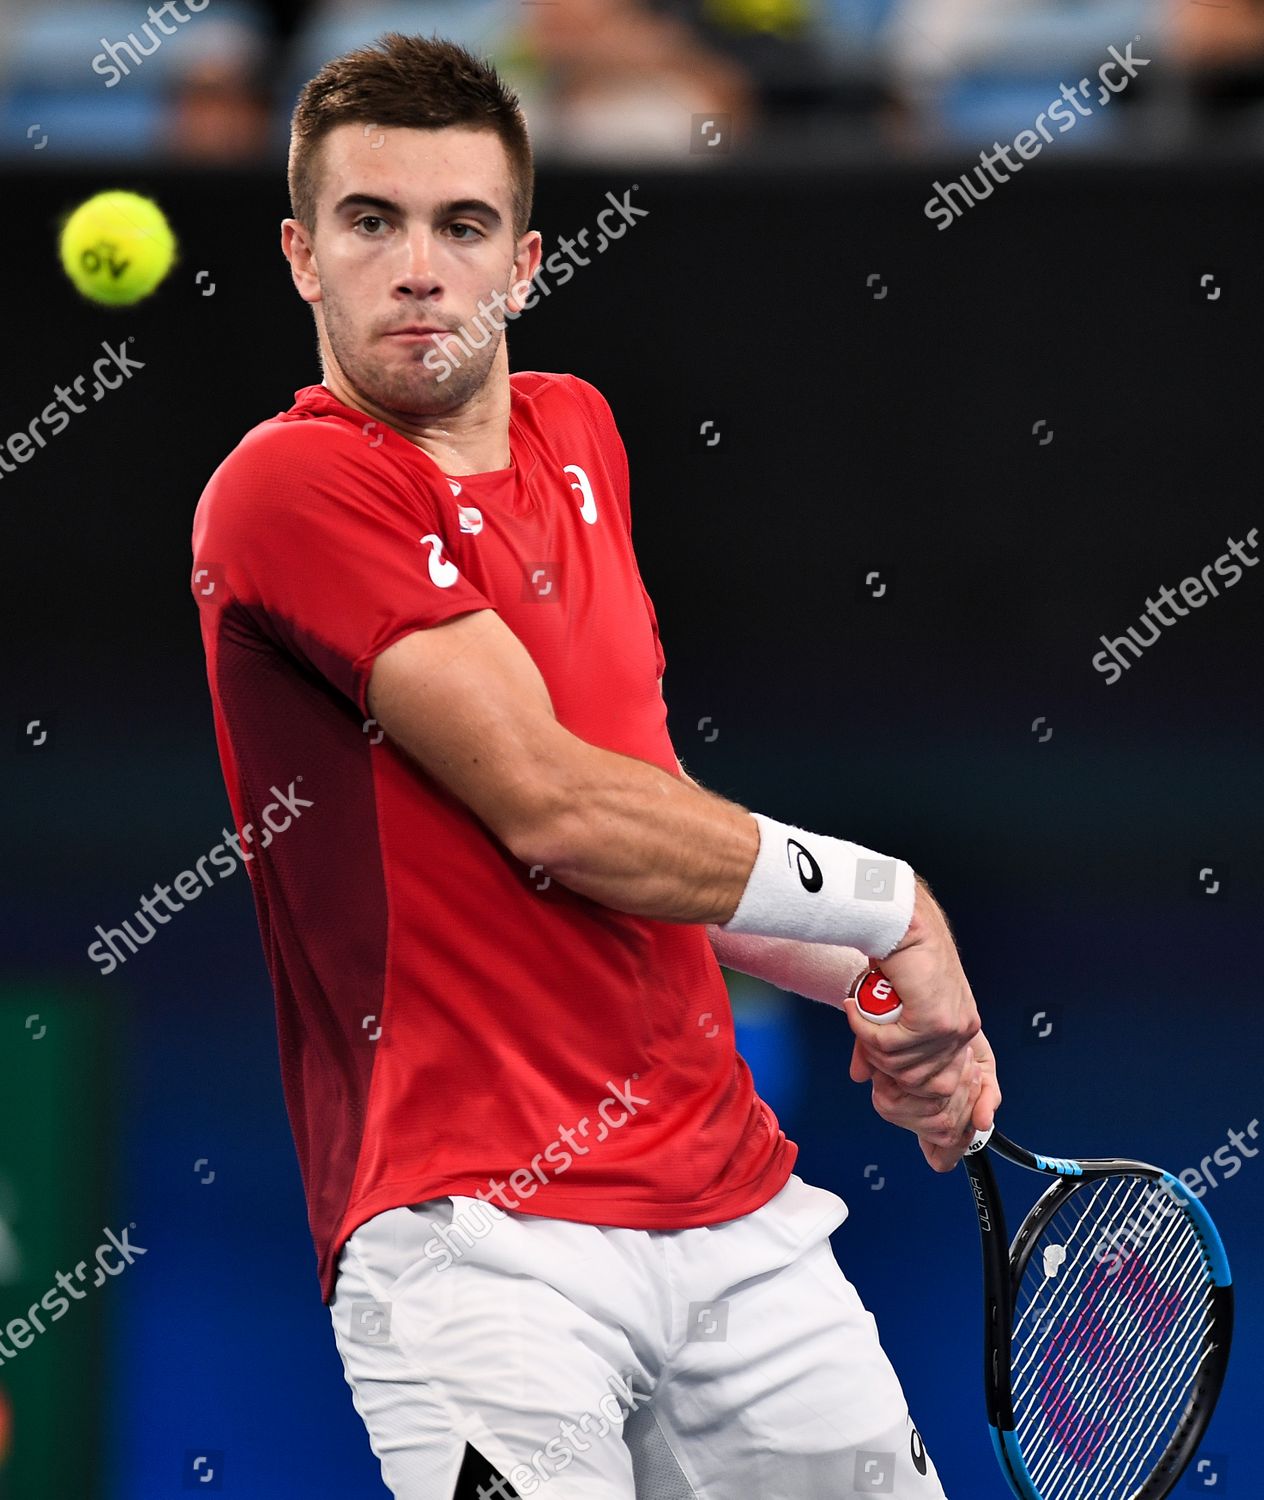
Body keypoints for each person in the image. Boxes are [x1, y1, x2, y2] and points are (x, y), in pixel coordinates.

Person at [190, 31, 1000, 1499]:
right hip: (478, 1252)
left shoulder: (581, 435)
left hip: (740, 1222)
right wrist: (895, 912)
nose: (420, 268)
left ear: (527, 260)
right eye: (373, 224)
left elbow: (651, 819)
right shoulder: (287, 487)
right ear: (303, 256)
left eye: (463, 226)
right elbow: (557, 811)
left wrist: (863, 990)